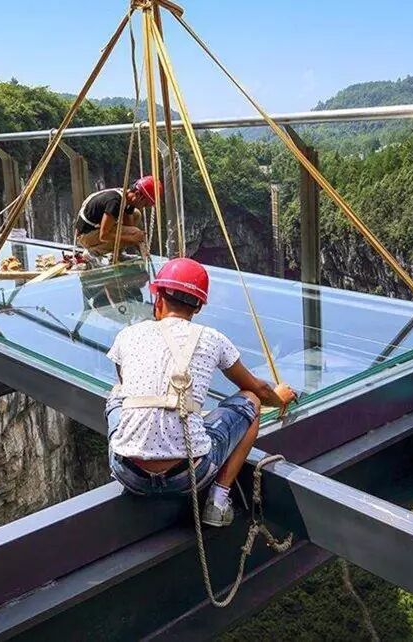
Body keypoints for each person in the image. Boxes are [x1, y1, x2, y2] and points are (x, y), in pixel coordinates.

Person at [105, 258, 297, 526]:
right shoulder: (212, 339)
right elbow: (258, 390)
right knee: (250, 402)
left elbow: (129, 389)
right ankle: (218, 499)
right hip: (190, 475)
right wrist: (280, 398)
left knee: (117, 393)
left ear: (158, 297)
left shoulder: (128, 335)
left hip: (129, 473)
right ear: (197, 307)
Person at [74, 176, 155, 257]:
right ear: (137, 194)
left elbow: (129, 226)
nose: (143, 207)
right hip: (85, 235)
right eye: (145, 204)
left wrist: (141, 247)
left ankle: (117, 253)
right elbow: (104, 236)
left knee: (136, 215)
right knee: (133, 234)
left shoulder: (128, 197)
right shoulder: (114, 202)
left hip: (95, 228)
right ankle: (93, 253)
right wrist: (132, 238)